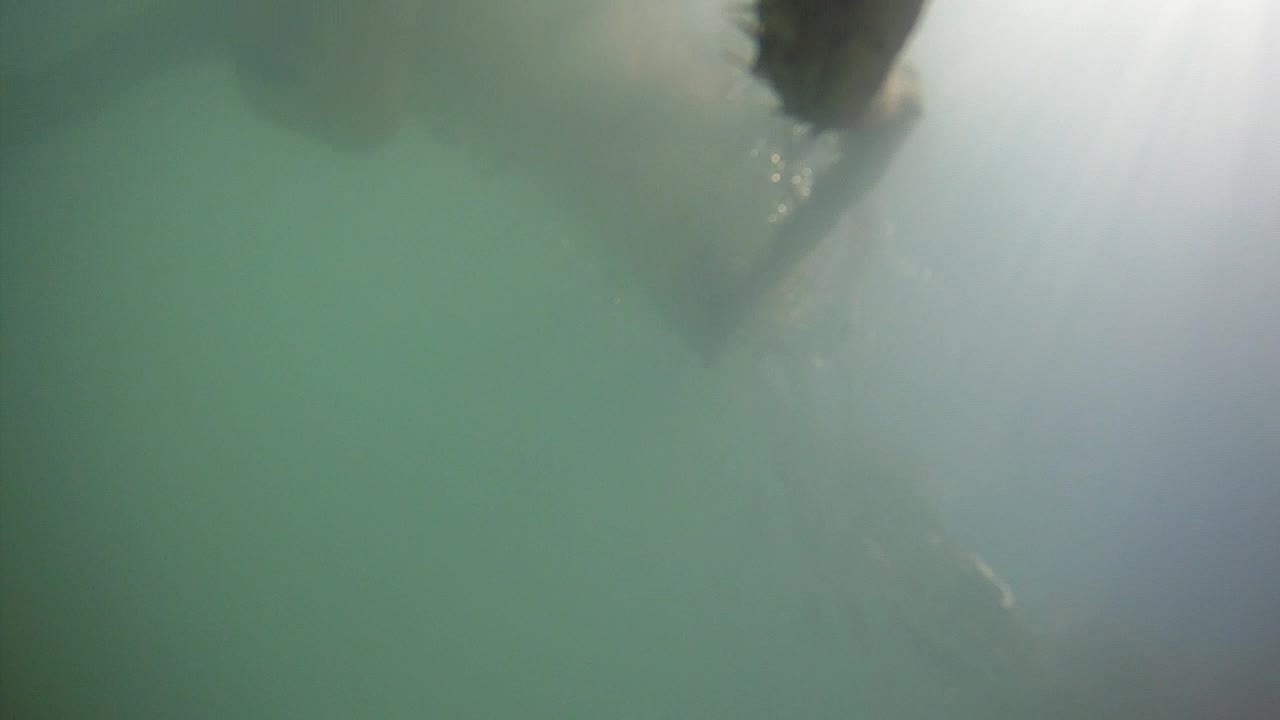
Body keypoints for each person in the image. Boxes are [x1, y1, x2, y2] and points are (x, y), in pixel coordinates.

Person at [1, 0, 926, 356]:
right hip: (546, 99)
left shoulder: (693, 132)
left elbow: (360, 111)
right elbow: (359, 114)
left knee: (139, 51)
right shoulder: (706, 116)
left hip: (557, 108)